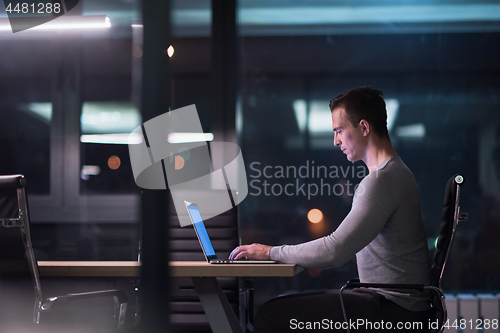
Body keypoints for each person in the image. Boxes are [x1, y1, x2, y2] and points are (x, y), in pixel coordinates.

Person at [229, 87, 434, 332]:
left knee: (270, 315)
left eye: (339, 131)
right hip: (395, 303)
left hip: (393, 311)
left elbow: (335, 250)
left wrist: (270, 252)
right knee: (281, 307)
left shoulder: (383, 180)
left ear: (364, 128)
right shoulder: (395, 174)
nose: (335, 141)